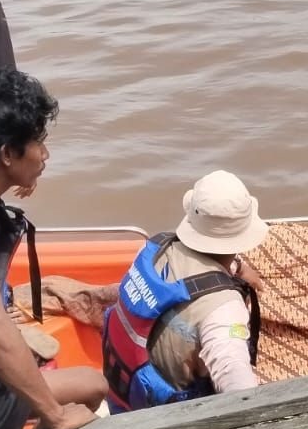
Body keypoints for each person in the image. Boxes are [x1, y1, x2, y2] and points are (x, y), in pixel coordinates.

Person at [0, 71, 106, 429]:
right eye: (37, 142)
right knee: (92, 389)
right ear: (6, 154)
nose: (45, 154)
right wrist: (55, 415)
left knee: (92, 384)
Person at [101, 170, 266, 412]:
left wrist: (236, 266)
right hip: (166, 417)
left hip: (120, 390)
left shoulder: (154, 249)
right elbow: (240, 394)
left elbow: (192, 269)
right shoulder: (225, 308)